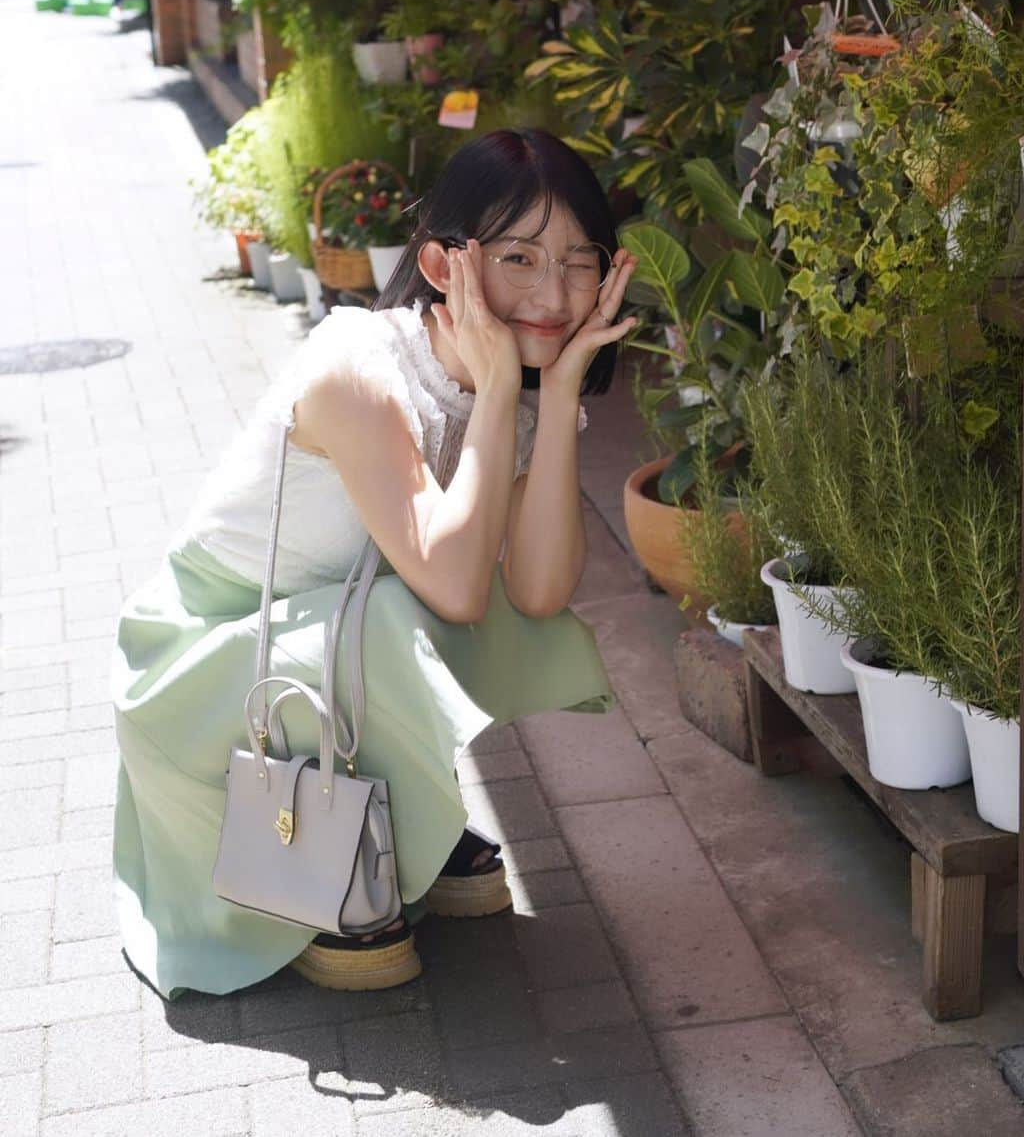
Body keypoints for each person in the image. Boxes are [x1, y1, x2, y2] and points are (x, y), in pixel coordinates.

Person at [110, 128, 640, 1001]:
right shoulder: (358, 365)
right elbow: (457, 587)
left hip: (316, 640)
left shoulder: (527, 380)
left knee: (464, 610)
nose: (553, 294)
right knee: (417, 607)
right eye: (519, 258)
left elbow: (540, 594)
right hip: (204, 668)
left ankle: (396, 822)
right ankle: (327, 860)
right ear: (441, 265)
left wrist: (563, 385)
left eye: (579, 263)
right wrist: (505, 389)